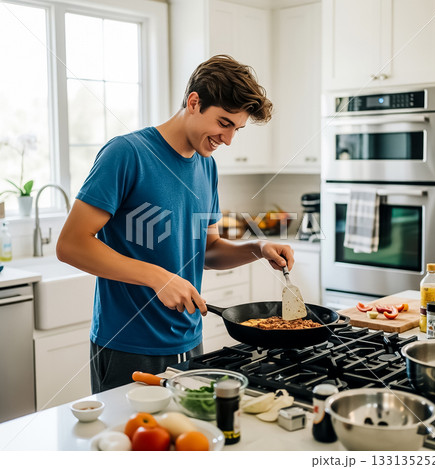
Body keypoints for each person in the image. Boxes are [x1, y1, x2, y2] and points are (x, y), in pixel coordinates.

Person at [56, 55, 295, 393]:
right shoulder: (127, 154)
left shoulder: (206, 166)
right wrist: (158, 277)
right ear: (194, 102)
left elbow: (208, 251)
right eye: (224, 123)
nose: (227, 140)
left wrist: (257, 248)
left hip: (188, 341)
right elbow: (71, 245)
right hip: (128, 344)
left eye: (236, 130)